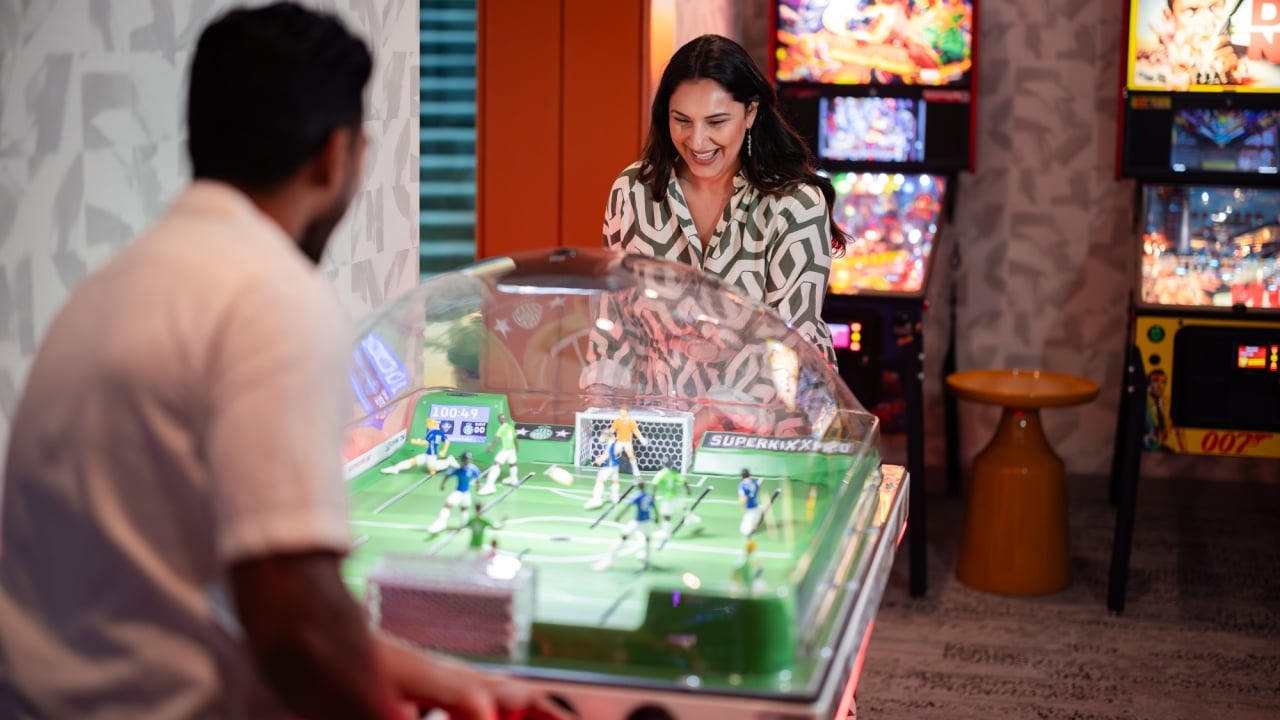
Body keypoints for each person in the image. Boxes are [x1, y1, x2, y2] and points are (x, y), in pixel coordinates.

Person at [0, 5, 567, 720]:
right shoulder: (274, 297)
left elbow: (196, 595)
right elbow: (292, 619)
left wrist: (443, 680)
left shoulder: (108, 289)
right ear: (335, 155)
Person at [602, 34, 848, 366]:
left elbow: (791, 346)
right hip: (659, 413)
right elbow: (613, 327)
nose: (697, 141)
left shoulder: (796, 204)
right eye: (682, 121)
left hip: (769, 412)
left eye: (716, 122)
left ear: (750, 113)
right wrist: (602, 405)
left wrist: (712, 414)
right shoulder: (633, 190)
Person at [593, 479, 658, 571]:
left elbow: (627, 508)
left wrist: (618, 516)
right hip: (647, 521)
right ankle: (647, 557)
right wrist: (657, 517)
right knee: (647, 539)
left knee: (623, 537)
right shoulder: (648, 496)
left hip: (638, 521)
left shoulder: (637, 496)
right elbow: (654, 507)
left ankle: (609, 560)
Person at [382, 417, 460, 475]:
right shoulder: (439, 432)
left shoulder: (431, 433)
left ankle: (448, 461)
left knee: (432, 470)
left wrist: (415, 441)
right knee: (413, 461)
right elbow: (447, 441)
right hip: (428, 454)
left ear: (431, 424)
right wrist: (443, 451)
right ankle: (396, 468)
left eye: (428, 424)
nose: (427, 425)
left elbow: (425, 443)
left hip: (431, 455)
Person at [430, 452, 482, 534]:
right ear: (463, 460)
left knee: (464, 509)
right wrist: (443, 484)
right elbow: (448, 475)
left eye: (468, 459)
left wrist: (478, 487)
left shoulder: (473, 469)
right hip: (458, 492)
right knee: (448, 505)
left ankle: (463, 525)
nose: (466, 461)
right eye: (465, 459)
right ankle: (441, 522)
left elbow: (478, 477)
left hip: (466, 493)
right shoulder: (459, 470)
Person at [479, 412, 518, 495]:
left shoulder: (502, 428)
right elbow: (515, 438)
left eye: (501, 418)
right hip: (512, 449)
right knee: (512, 464)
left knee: (497, 464)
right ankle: (514, 480)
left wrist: (491, 447)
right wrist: (516, 447)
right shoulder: (510, 427)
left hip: (506, 449)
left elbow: (496, 439)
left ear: (500, 420)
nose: (501, 419)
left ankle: (490, 486)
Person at [585, 432, 625, 510]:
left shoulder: (610, 443)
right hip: (615, 465)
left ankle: (596, 500)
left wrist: (599, 460)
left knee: (599, 479)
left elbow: (607, 455)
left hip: (609, 466)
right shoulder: (615, 442)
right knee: (615, 481)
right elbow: (615, 453)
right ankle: (615, 497)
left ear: (607, 436)